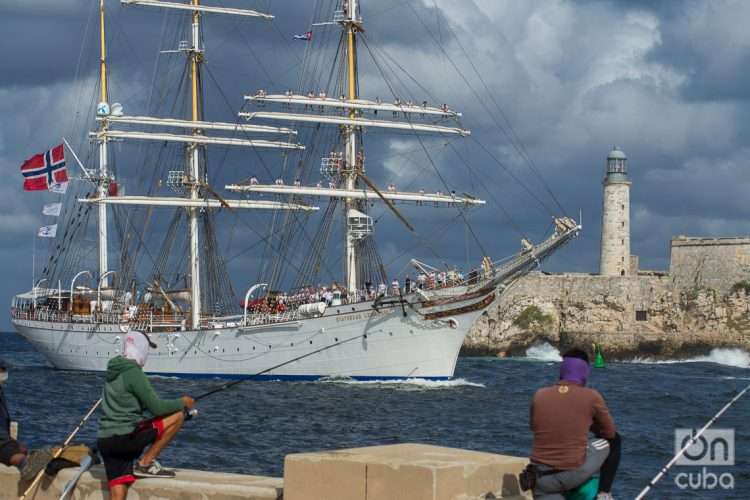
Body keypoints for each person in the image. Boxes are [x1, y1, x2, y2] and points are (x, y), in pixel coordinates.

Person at [97, 332, 194, 500]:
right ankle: (145, 463)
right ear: (141, 348)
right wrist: (182, 402)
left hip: (106, 442)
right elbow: (157, 408)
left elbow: (132, 409)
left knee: (118, 491)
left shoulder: (112, 371)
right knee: (178, 416)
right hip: (125, 439)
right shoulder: (133, 372)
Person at [525, 348, 621, 500]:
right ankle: (604, 494)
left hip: (539, 478)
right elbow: (609, 432)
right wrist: (590, 424)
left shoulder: (539, 394)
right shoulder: (591, 396)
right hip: (571, 475)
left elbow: (534, 426)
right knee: (615, 441)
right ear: (584, 372)